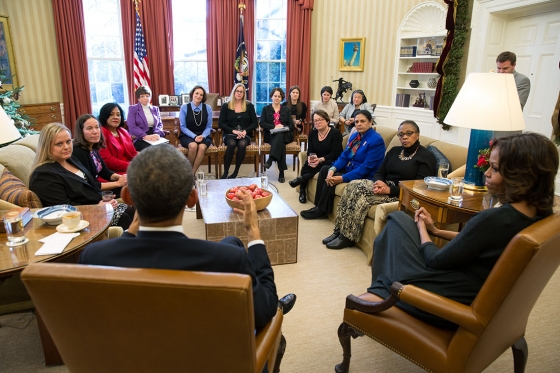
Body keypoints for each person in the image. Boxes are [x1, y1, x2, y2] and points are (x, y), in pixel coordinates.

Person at [78, 145, 296, 330]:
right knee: (235, 246)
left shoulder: (93, 257)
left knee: (231, 242)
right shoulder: (227, 260)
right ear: (192, 199)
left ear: (128, 197)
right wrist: (254, 234)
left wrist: (130, 233)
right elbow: (264, 312)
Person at [368, 133, 558, 329]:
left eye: (494, 168)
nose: (486, 173)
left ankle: (380, 294)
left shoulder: (493, 220)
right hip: (468, 289)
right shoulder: (542, 215)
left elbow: (435, 260)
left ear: (520, 175)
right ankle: (379, 290)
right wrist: (436, 230)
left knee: (397, 219)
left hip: (439, 294)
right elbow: (476, 242)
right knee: (399, 225)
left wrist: (422, 228)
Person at [323, 120, 436, 249]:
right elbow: (380, 171)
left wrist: (389, 190)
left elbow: (417, 187)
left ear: (417, 135)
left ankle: (348, 237)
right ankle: (339, 230)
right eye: (401, 134)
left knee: (360, 196)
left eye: (409, 133)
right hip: (383, 185)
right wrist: (379, 182)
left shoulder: (426, 156)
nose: (404, 137)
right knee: (352, 185)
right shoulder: (394, 151)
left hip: (399, 193)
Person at [29, 123, 135, 229]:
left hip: (97, 204)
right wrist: (97, 208)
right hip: (83, 218)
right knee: (124, 218)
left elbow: (88, 184)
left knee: (134, 212)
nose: (66, 147)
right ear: (46, 146)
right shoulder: (44, 175)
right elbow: (62, 210)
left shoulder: (70, 159)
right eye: (59, 144)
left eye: (68, 141)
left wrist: (103, 197)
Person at [300, 110, 385, 220]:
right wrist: (333, 168)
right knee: (326, 170)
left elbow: (366, 167)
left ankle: (321, 210)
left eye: (362, 121)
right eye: (357, 121)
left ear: (370, 122)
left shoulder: (376, 140)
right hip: (350, 168)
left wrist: (342, 178)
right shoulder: (355, 136)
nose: (359, 124)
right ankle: (319, 208)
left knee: (332, 176)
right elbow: (345, 156)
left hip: (364, 175)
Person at [288, 110, 343, 204]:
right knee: (307, 165)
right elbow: (310, 150)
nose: (317, 122)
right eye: (315, 120)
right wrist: (311, 158)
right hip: (317, 158)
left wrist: (320, 159)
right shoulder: (313, 134)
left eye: (320, 120)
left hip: (331, 159)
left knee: (322, 166)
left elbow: (336, 153)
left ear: (327, 121)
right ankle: (302, 191)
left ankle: (302, 178)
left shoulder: (335, 133)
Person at [72, 114, 128, 197]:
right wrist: (117, 183)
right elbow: (89, 185)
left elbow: (104, 171)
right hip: (90, 194)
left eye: (97, 127)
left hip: (96, 189)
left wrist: (118, 177)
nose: (95, 131)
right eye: (89, 128)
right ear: (81, 132)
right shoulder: (79, 152)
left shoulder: (92, 147)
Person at [218, 83, 258, 179]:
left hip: (245, 134)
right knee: (231, 144)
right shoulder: (226, 106)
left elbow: (255, 123)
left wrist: (245, 131)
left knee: (242, 144)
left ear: (244, 94)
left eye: (242, 92)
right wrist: (233, 131)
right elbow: (221, 123)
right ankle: (226, 171)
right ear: (234, 92)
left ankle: (236, 172)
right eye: (237, 91)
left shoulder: (249, 106)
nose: (239, 93)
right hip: (230, 133)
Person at [260, 87, 295, 183]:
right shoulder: (266, 109)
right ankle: (281, 173)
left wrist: (282, 126)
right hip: (270, 135)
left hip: (285, 134)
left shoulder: (286, 110)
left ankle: (270, 160)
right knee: (281, 143)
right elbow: (262, 123)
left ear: (281, 98)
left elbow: (291, 125)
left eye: (279, 96)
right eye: (275, 96)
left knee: (280, 136)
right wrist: (274, 127)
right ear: (271, 96)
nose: (277, 98)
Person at [179, 85, 213, 173]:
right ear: (192, 94)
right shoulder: (184, 107)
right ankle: (188, 172)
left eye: (201, 95)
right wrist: (194, 137)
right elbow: (183, 127)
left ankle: (191, 174)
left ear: (203, 97)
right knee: (193, 146)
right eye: (196, 93)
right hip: (187, 135)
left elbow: (209, 127)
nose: (198, 96)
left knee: (202, 147)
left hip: (203, 135)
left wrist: (203, 136)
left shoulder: (208, 108)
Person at [98, 103, 137, 174]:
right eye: (111, 114)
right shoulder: (100, 133)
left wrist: (143, 162)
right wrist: (133, 166)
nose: (115, 117)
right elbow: (108, 161)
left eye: (118, 115)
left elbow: (133, 153)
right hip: (113, 172)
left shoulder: (124, 131)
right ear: (104, 116)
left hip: (130, 167)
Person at [127, 86, 166, 151]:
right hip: (139, 137)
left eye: (147, 96)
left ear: (150, 97)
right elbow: (132, 126)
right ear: (138, 98)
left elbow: (159, 124)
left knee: (167, 148)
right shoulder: (133, 108)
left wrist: (157, 134)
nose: (145, 98)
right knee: (153, 149)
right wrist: (145, 136)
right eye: (142, 96)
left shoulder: (155, 109)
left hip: (154, 135)